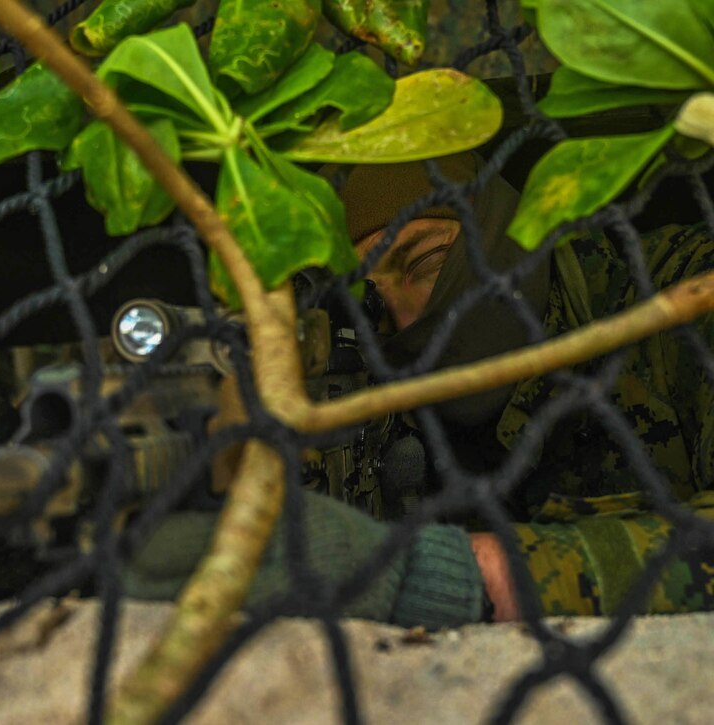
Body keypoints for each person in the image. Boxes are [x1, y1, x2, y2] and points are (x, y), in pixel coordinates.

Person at [124, 152, 714, 627]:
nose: (406, 320)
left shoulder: (686, 294)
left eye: (427, 260)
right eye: (369, 301)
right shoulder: (377, 380)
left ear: (499, 225)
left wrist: (440, 577)